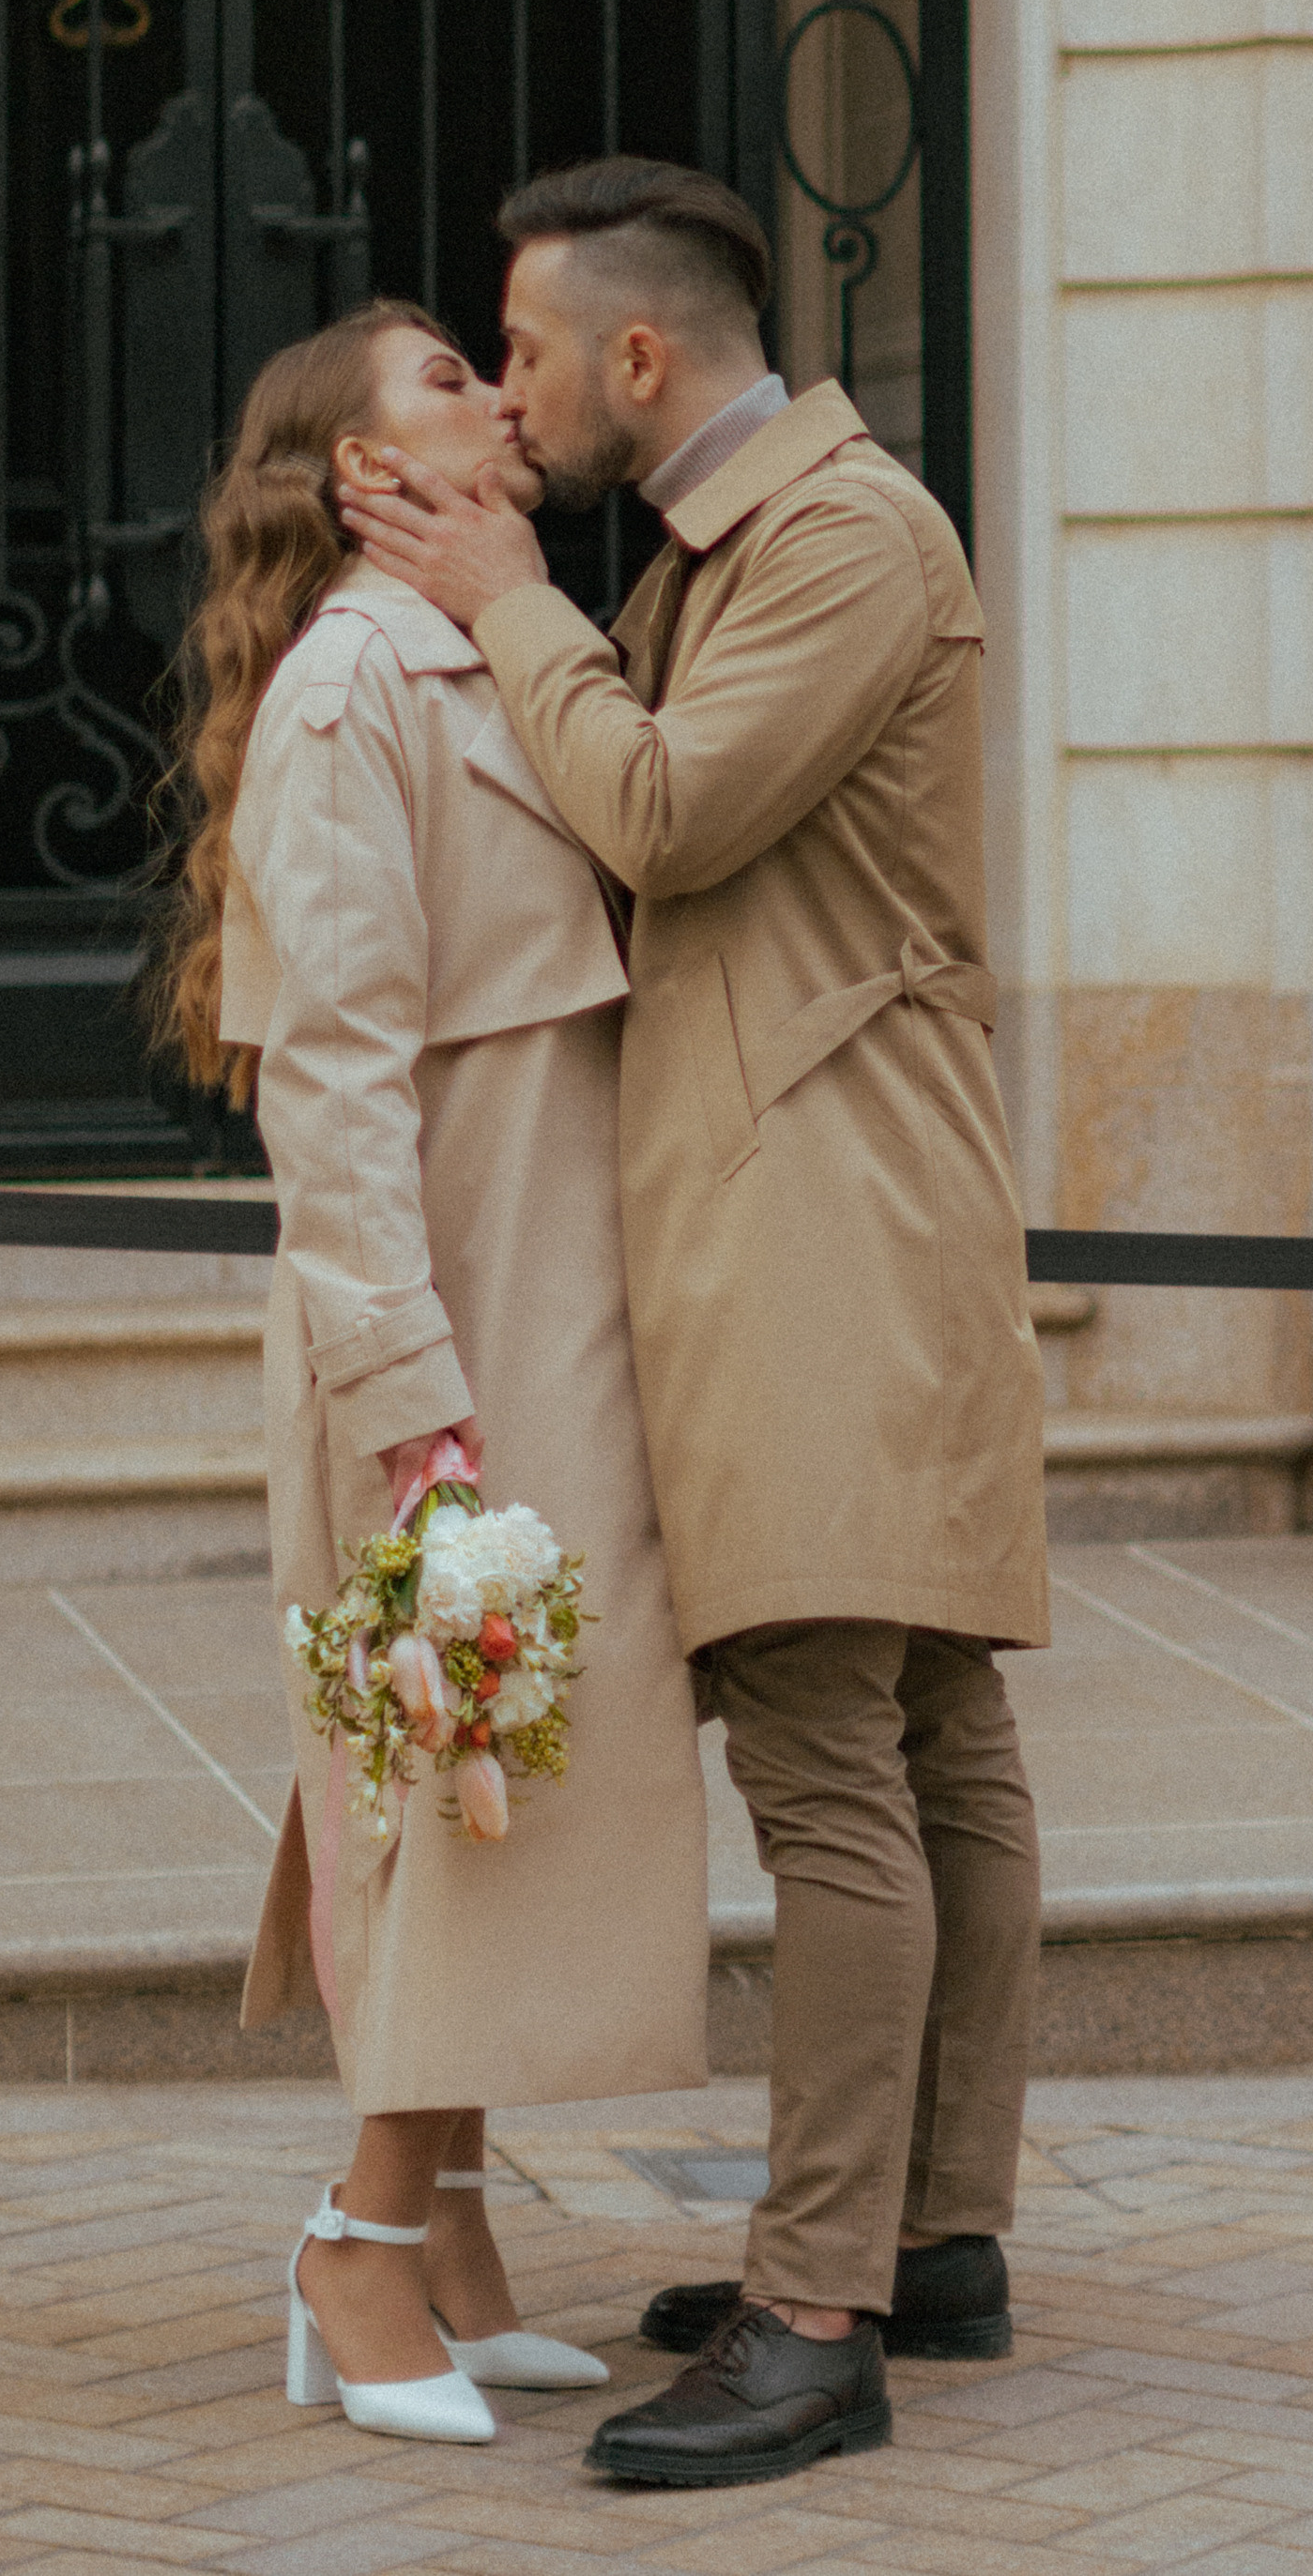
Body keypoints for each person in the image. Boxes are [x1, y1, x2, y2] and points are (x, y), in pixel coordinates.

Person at [339, 157, 1051, 2492]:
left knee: (847, 1749)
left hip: (825, 1216)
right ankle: (932, 2236)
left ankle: (821, 2304)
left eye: (525, 351)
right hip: (821, 1194)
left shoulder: (844, 534)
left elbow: (662, 808)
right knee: (925, 1738)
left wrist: (509, 597)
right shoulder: (722, 549)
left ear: (641, 354)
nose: (514, 395)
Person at [158, 297, 709, 2448]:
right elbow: (337, 1076)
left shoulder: (503, 645)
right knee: (449, 1763)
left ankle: (456, 2228)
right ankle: (357, 2251)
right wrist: (413, 1390)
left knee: (509, 1753)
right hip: (450, 1301)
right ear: (354, 471)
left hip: (548, 1280)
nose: (496, 393)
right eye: (442, 381)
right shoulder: (350, 692)